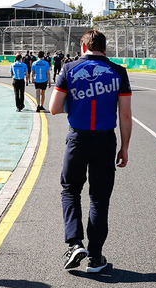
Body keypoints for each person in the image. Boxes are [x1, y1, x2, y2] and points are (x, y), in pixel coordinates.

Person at [49, 29, 132, 273]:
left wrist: (77, 104)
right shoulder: (118, 71)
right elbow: (125, 115)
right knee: (99, 198)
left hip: (78, 138)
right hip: (106, 140)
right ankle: (96, 257)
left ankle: (74, 243)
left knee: (70, 190)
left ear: (83, 48)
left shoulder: (69, 68)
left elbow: (53, 108)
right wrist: (125, 147)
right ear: (105, 50)